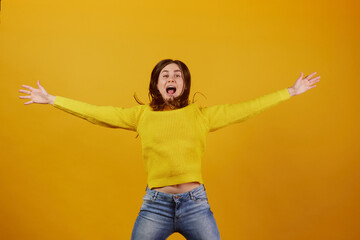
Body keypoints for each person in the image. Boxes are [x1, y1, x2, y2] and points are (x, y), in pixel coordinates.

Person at [18, 59, 320, 239]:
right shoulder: (140, 116)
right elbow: (96, 112)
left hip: (196, 205)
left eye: (177, 75)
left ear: (185, 84)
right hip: (155, 206)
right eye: (166, 75)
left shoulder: (201, 115)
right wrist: (54, 100)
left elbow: (245, 108)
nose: (172, 78)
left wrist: (290, 91)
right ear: (156, 84)